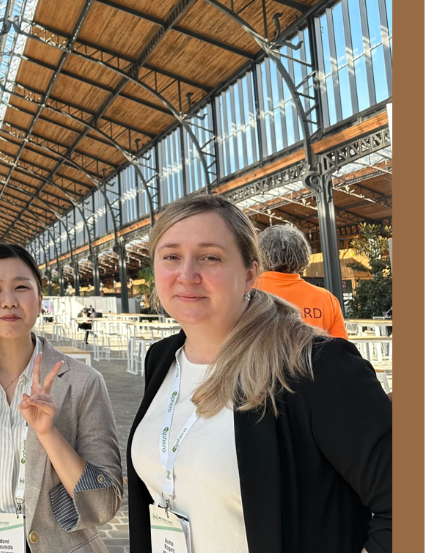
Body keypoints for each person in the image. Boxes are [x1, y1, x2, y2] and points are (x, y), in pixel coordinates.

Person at [127, 195, 391, 553]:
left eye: (210, 257)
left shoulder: (313, 366)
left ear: (251, 273)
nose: (186, 275)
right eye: (171, 256)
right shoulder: (161, 359)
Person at [0, 244, 123, 553]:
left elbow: (104, 504)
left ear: (39, 301)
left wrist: (48, 434)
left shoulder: (82, 382)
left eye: (21, 287)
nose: (9, 301)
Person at [254, 223, 348, 338]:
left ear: (260, 255)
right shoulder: (326, 299)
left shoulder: (246, 293)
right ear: (303, 253)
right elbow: (341, 344)